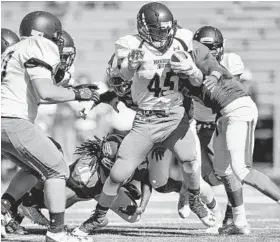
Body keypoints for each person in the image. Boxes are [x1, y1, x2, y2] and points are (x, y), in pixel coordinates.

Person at [72, 2, 232, 237]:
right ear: (143, 28)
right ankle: (98, 216)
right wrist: (129, 65)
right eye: (156, 30)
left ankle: (195, 199)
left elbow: (202, 76)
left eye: (165, 29)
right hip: (146, 119)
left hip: (176, 116)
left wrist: (192, 71)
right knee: (118, 174)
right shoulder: (129, 44)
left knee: (189, 161)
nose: (162, 35)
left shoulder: (183, 39)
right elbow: (122, 77)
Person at [1, 11, 99, 242]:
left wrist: (73, 93)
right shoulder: (37, 44)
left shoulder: (11, 50)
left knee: (38, 166)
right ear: (42, 32)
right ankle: (56, 232)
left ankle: (4, 208)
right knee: (57, 167)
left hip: (5, 120)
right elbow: (46, 92)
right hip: (12, 120)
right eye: (55, 35)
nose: (57, 40)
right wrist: (77, 93)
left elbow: (37, 94)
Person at [192, 26, 280, 234]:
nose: (208, 52)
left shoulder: (231, 60)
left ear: (220, 48)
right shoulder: (194, 66)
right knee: (223, 170)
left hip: (237, 111)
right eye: (203, 47)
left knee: (242, 169)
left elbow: (229, 90)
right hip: (221, 118)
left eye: (211, 47)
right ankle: (238, 222)